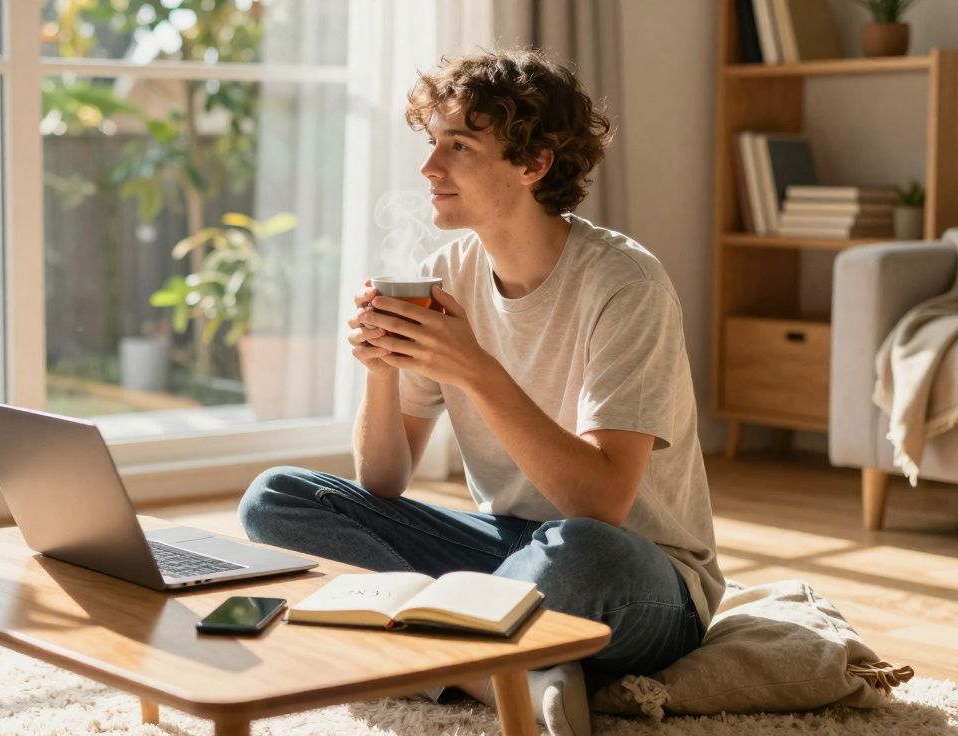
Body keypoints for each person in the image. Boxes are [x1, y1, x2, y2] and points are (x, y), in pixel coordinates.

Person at [238, 48, 723, 735]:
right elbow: (382, 479)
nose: (429, 168)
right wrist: (381, 367)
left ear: (534, 165)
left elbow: (601, 504)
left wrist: (474, 369)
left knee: (578, 551)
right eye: (431, 143)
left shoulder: (625, 284)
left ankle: (431, 643)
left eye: (458, 146)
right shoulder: (448, 271)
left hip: (637, 576)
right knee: (277, 498)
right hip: (511, 551)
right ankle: (493, 666)